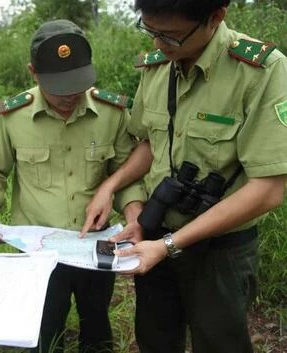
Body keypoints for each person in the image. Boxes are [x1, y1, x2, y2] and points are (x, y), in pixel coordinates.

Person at [83, 1, 287, 353]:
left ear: (216, 16)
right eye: (151, 31)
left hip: (219, 251)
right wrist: (110, 186)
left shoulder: (260, 71)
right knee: (155, 337)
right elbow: (149, 141)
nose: (160, 44)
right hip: (155, 232)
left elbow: (267, 190)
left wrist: (169, 246)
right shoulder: (159, 66)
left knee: (220, 342)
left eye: (172, 36)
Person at [0, 19, 149, 353]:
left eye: (77, 84)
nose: (69, 96)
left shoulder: (112, 113)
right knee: (44, 329)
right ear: (33, 73)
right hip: (38, 253)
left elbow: (127, 175)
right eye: (59, 87)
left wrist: (133, 215)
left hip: (96, 247)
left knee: (96, 325)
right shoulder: (12, 117)